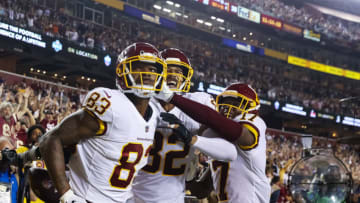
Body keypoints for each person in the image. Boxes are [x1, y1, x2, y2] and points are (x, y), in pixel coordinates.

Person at [39, 42, 167, 203]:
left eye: (153, 69)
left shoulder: (154, 113)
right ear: (123, 71)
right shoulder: (111, 104)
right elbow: (50, 139)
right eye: (139, 67)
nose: (147, 74)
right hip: (87, 198)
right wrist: (67, 195)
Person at [132, 48, 237, 203]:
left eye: (179, 71)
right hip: (132, 194)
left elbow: (227, 149)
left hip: (172, 196)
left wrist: (196, 140)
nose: (174, 74)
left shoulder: (198, 103)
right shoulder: (141, 101)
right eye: (169, 69)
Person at [155, 82, 270, 202]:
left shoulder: (256, 123)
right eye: (225, 103)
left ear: (251, 108)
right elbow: (202, 190)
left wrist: (173, 98)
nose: (228, 108)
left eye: (236, 104)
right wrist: (188, 176)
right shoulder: (218, 140)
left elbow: (235, 131)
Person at [0, 136, 18, 203]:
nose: (7, 156)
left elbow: (33, 197)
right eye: (4, 151)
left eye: (10, 152)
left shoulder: (15, 174)